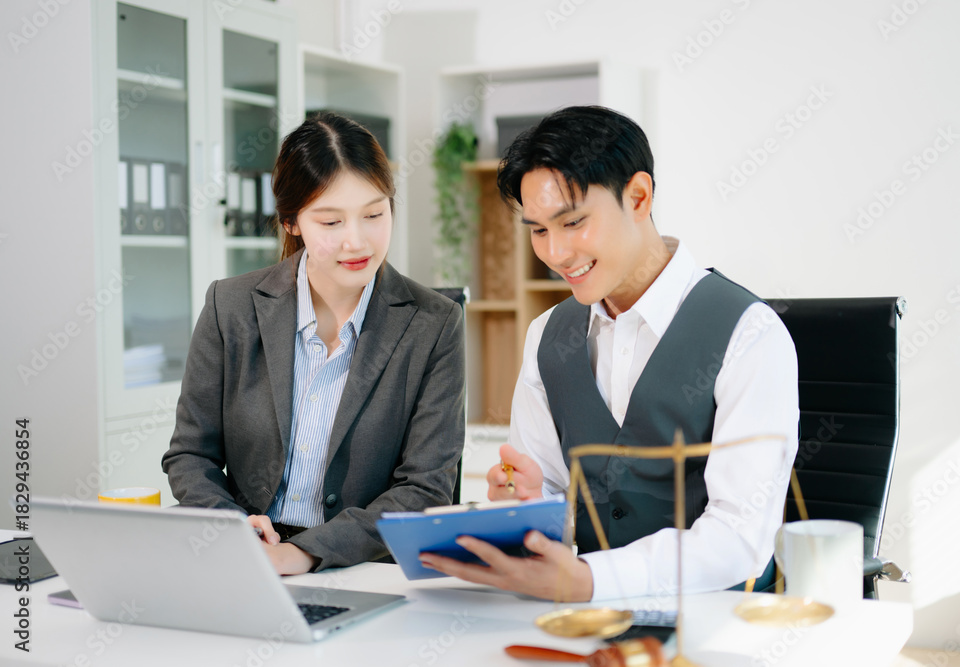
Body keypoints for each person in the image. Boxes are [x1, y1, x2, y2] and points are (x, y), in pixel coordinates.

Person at [418, 106, 798, 602]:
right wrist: (532, 506)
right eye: (538, 230)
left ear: (638, 197)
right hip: (587, 617)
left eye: (573, 222)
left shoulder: (750, 334)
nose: (555, 253)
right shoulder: (547, 335)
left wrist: (591, 579)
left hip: (722, 618)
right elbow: (550, 495)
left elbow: (740, 537)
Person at [162, 112, 465, 576]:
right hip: (248, 560)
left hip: (363, 568)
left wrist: (302, 552)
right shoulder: (231, 306)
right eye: (331, 221)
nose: (356, 241)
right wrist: (234, 528)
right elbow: (190, 454)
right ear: (291, 222)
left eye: (374, 214)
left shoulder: (434, 324)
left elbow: (426, 488)